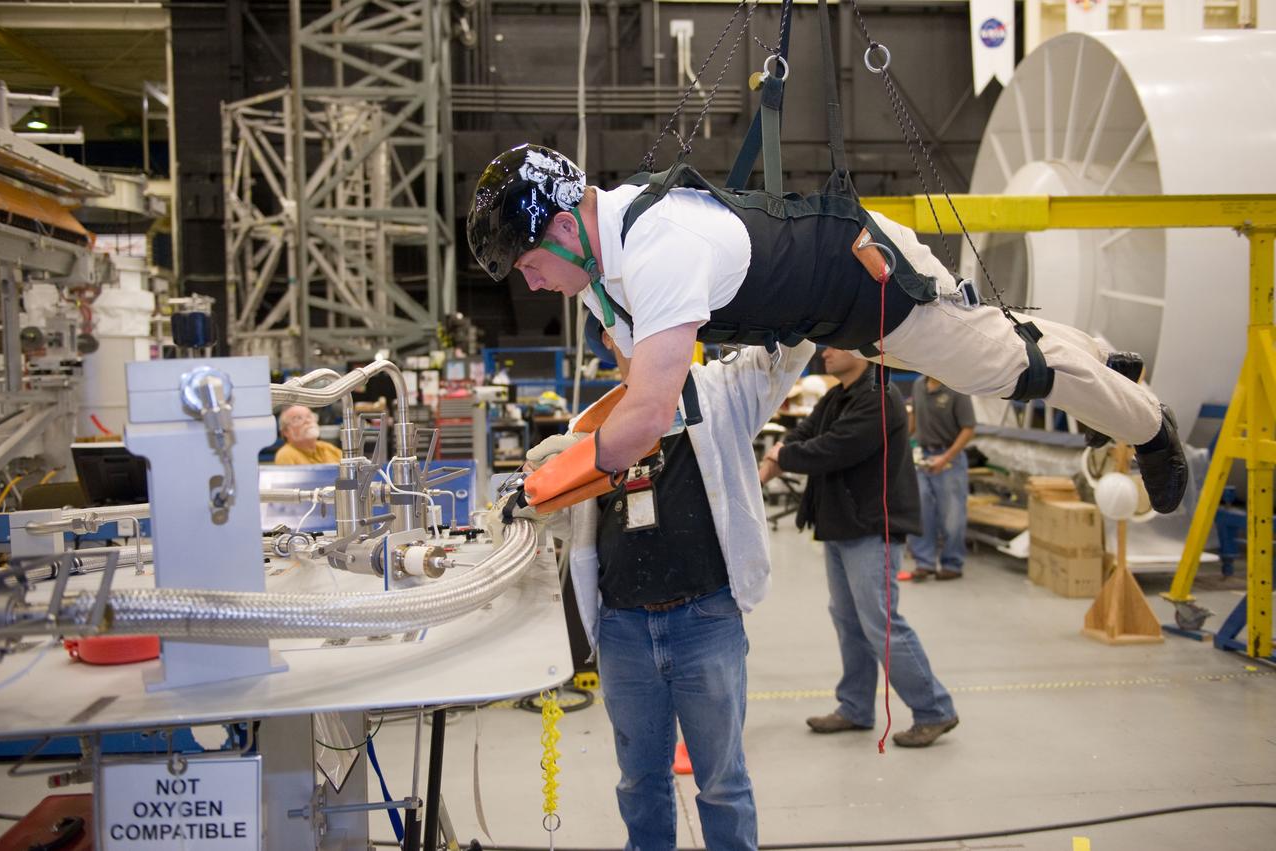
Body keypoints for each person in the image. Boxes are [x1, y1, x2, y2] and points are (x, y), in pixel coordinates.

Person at [467, 144, 1187, 517]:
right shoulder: (598, 277)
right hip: (832, 311)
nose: (531, 285)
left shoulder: (656, 248)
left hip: (868, 281)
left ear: (564, 228)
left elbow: (648, 417)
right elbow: (641, 390)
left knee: (1005, 369)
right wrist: (576, 446)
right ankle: (1104, 366)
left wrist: (542, 483)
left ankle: (1150, 423)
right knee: (991, 339)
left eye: (528, 265)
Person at [523, 314, 814, 850]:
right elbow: (573, 521)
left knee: (723, 782)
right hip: (622, 629)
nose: (636, 336)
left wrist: (755, 302)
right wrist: (537, 494)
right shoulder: (591, 424)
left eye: (651, 318)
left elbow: (790, 352)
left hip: (705, 619)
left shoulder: (721, 392)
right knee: (640, 782)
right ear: (607, 340)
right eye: (622, 327)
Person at [759, 348, 958, 748]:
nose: (824, 352)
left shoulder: (879, 399)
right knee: (849, 621)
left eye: (834, 344)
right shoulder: (838, 396)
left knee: (881, 624)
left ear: (861, 350)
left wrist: (782, 456)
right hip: (840, 524)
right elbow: (804, 434)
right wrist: (782, 451)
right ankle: (855, 706)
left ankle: (934, 709)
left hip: (871, 526)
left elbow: (836, 447)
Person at [907, 376, 977, 581]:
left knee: (952, 515)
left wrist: (946, 457)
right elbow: (914, 419)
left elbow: (968, 428)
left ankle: (952, 563)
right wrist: (902, 440)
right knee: (921, 510)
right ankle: (924, 562)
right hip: (922, 457)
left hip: (949, 459)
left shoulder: (957, 386)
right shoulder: (918, 385)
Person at [273, 404, 341, 464]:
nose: (307, 421)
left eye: (309, 416)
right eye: (298, 418)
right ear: (286, 431)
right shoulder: (286, 454)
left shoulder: (328, 447)